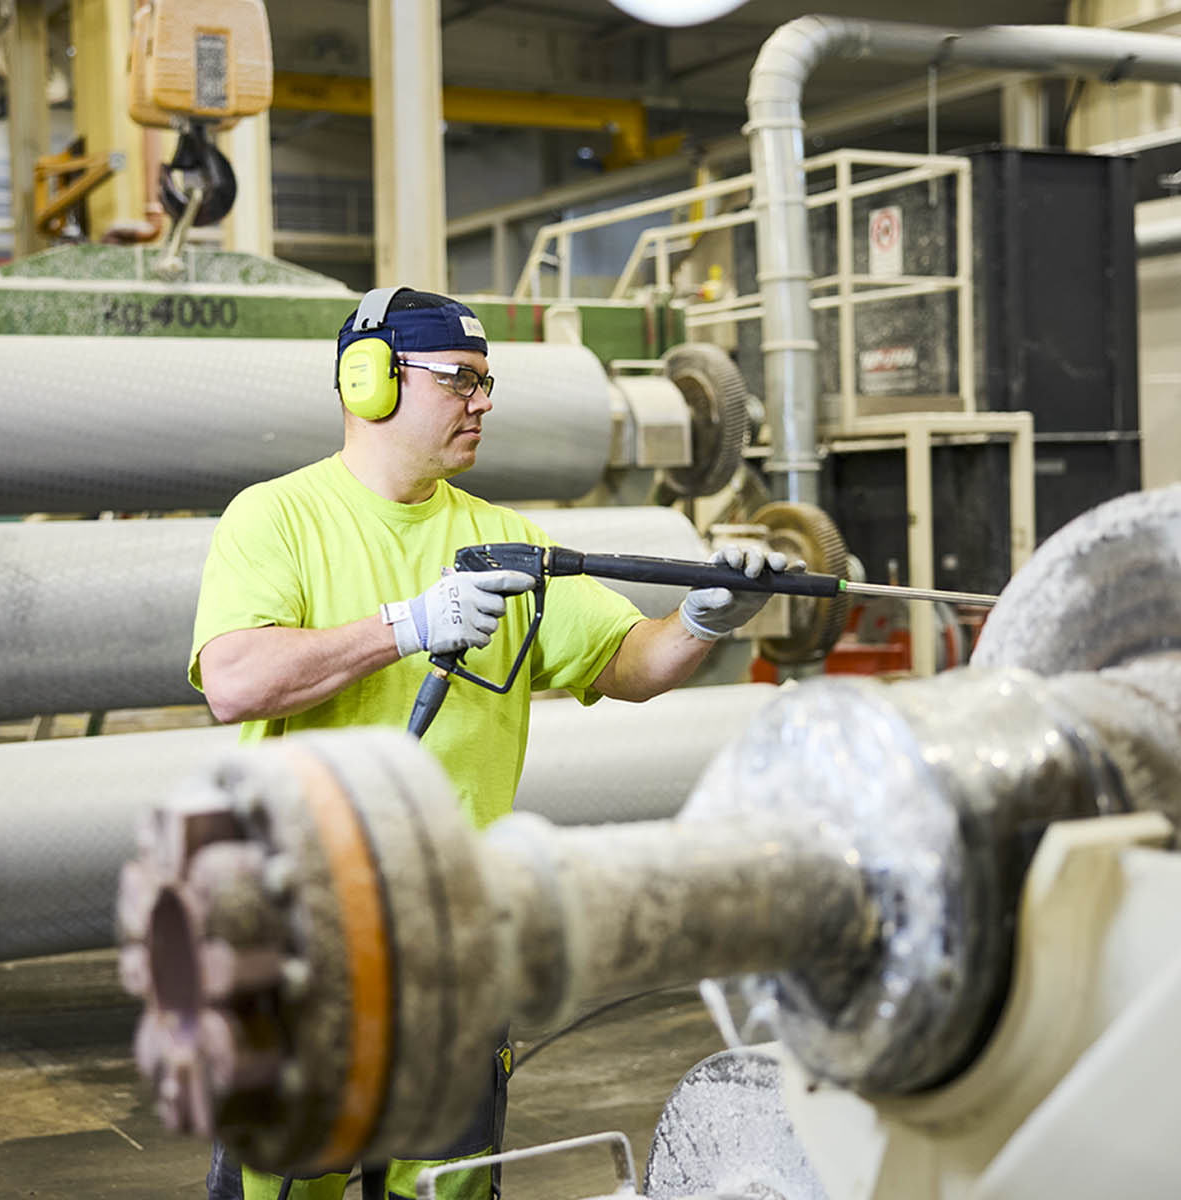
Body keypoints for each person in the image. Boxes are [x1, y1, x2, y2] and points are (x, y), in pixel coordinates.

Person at [189, 286, 789, 1200]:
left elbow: (628, 661)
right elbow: (234, 680)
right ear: (371, 380)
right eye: (461, 380)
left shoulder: (503, 541)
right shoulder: (277, 518)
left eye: (488, 382)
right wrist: (407, 625)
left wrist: (706, 622)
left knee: (449, 1191)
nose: (484, 402)